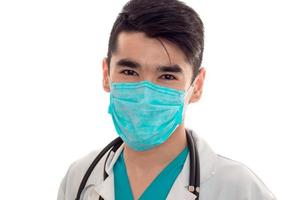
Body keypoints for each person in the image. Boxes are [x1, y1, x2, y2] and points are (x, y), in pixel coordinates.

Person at [57, 0, 276, 199]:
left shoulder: (239, 189)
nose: (145, 94)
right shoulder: (80, 179)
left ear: (197, 86)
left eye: (167, 76)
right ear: (106, 75)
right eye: (129, 72)